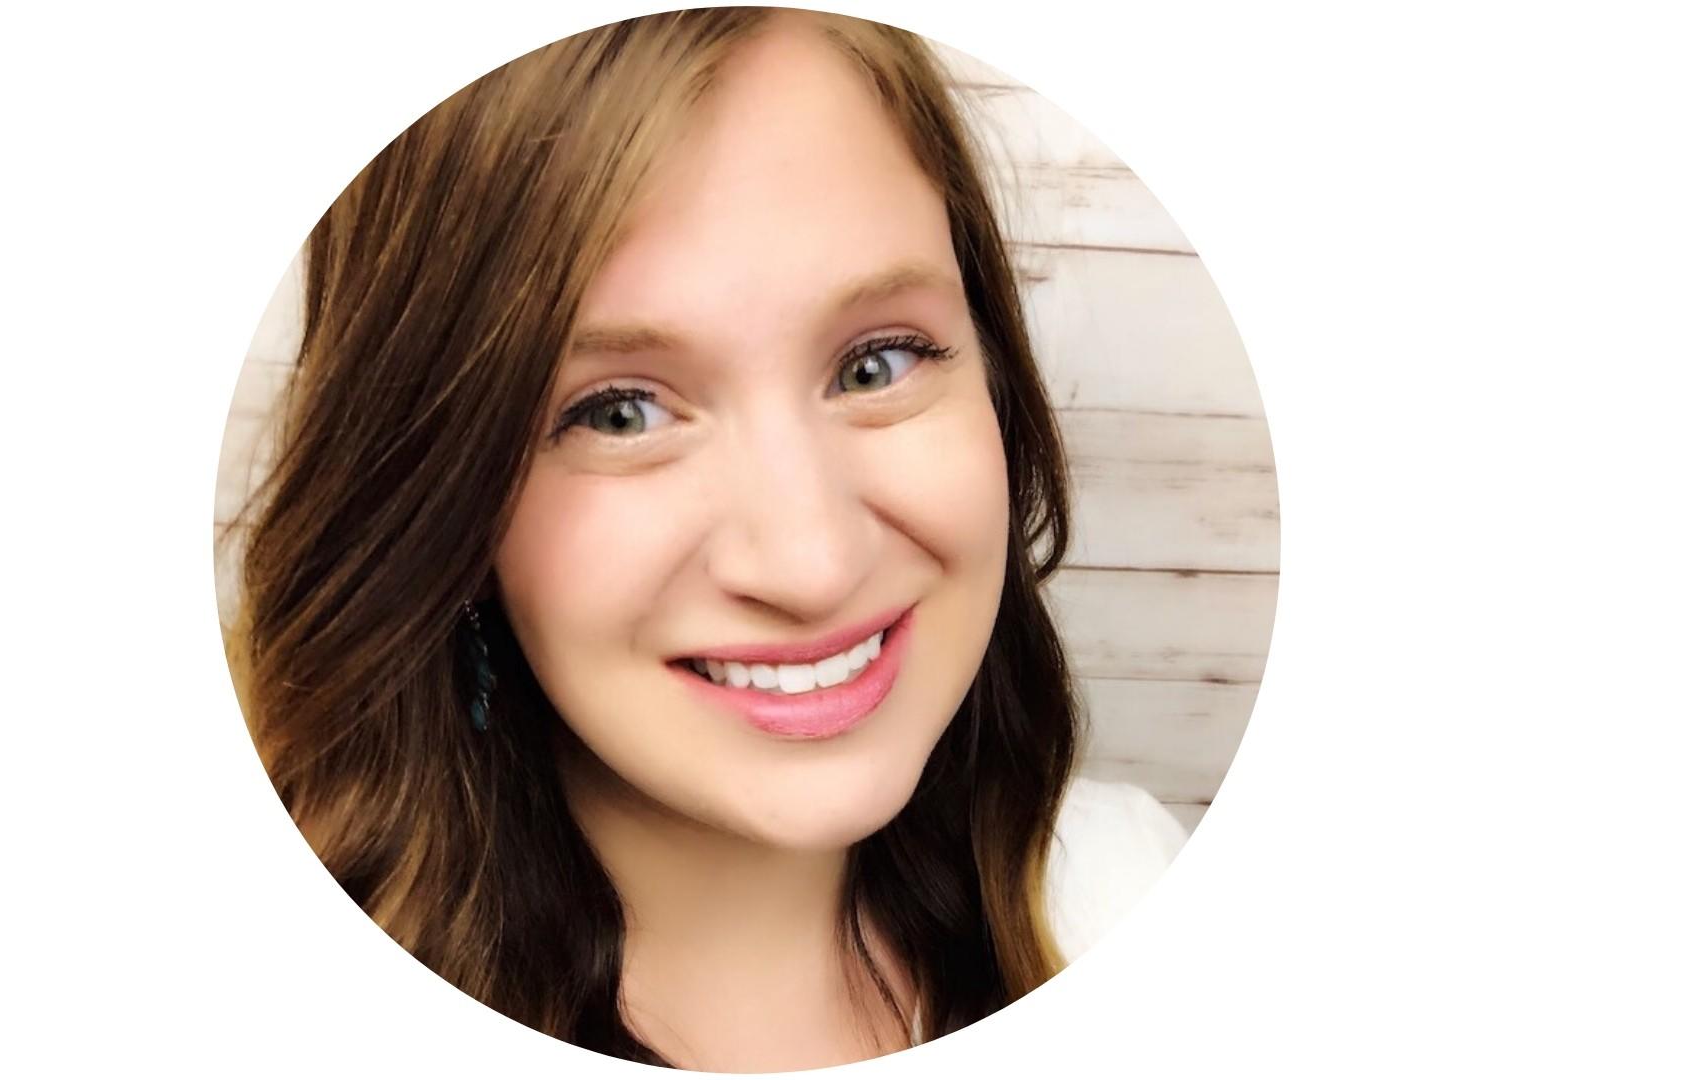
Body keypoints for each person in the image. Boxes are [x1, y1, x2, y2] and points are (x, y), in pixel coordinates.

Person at [222, 7, 1185, 1071]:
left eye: (876, 364)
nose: (812, 565)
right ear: (438, 498)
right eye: (619, 412)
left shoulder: (1118, 888)